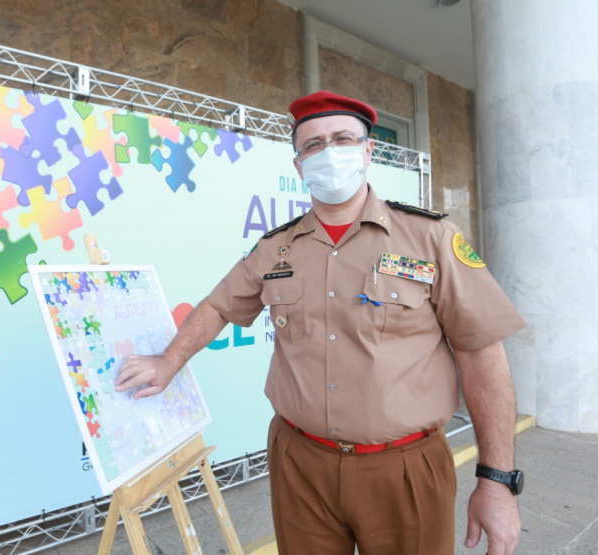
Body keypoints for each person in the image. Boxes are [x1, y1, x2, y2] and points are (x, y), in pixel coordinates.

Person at [115, 90, 526, 555]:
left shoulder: (430, 238)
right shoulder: (276, 248)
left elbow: (482, 355)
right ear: (298, 165)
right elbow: (217, 306)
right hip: (300, 466)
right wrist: (168, 361)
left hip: (404, 471)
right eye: (313, 145)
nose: (328, 153)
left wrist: (498, 480)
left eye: (342, 139)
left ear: (367, 151)